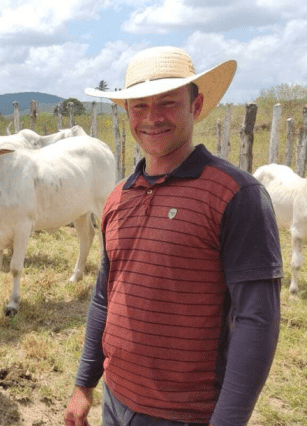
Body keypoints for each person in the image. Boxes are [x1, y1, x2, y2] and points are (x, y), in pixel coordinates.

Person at [63, 46, 283, 426]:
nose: (152, 118)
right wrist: (84, 385)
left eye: (167, 103)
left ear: (195, 107)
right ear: (127, 113)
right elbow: (105, 297)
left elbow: (257, 318)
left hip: (187, 414)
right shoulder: (118, 198)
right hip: (116, 403)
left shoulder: (236, 195)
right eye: (140, 107)